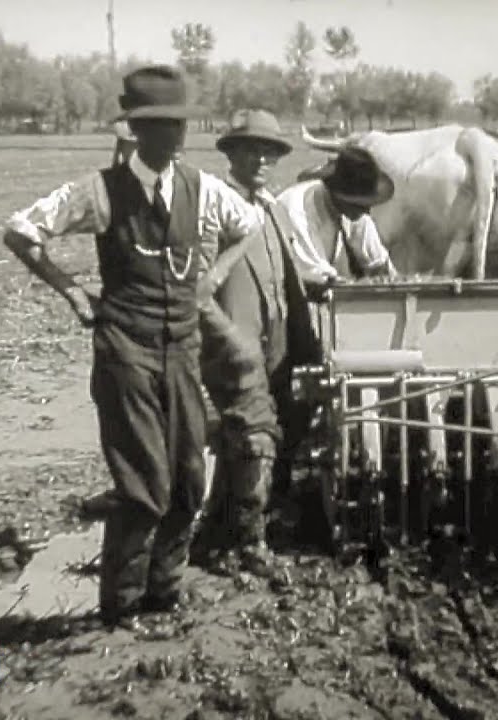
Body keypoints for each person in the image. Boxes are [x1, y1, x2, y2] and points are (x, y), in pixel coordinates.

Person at [1, 65, 278, 630]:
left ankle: (164, 594)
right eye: (160, 126)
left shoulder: (203, 190)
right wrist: (74, 292)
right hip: (125, 351)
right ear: (137, 130)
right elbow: (22, 230)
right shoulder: (100, 191)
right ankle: (122, 606)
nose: (174, 136)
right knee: (143, 485)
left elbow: (251, 223)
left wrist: (212, 274)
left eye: (178, 124)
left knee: (187, 480)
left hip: (181, 348)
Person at [198, 109, 324, 577]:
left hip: (277, 348)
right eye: (251, 149)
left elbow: (287, 277)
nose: (262, 159)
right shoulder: (214, 207)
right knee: (253, 440)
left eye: (269, 151)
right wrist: (225, 338)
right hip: (234, 347)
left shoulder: (271, 209)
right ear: (232, 154)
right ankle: (248, 544)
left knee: (259, 439)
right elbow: (199, 287)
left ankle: (222, 527)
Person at [277, 145, 398, 281]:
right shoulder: (298, 213)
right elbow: (318, 280)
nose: (366, 212)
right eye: (359, 205)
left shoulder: (354, 213)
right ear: (338, 195)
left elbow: (379, 263)